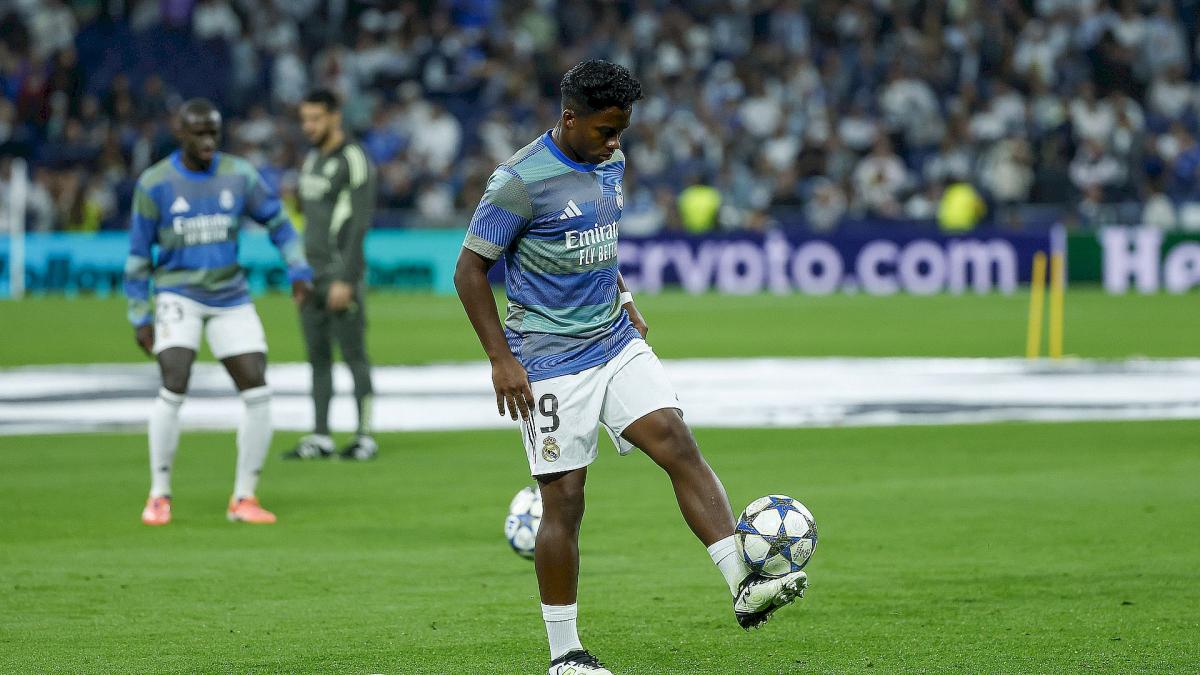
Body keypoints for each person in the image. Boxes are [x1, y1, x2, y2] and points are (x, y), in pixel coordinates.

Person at [454, 60, 808, 675]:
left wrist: (622, 296)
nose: (615, 142)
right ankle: (565, 655)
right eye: (605, 130)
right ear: (570, 119)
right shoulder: (518, 181)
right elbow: (469, 271)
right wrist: (501, 358)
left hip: (613, 340)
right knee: (565, 500)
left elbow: (600, 240)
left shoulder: (611, 163)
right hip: (547, 359)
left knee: (677, 441)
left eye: (622, 130)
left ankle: (742, 585)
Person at [125, 98, 313, 526]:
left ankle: (243, 498)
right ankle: (159, 494)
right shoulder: (155, 183)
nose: (209, 140)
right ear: (181, 133)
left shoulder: (238, 174)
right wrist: (140, 313)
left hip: (230, 295)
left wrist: (298, 268)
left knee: (258, 393)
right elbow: (138, 254)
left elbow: (279, 223)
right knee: (174, 382)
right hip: (178, 293)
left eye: (214, 132)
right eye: (199, 133)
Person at [283, 89, 379, 461]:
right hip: (311, 276)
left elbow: (358, 224)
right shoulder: (311, 159)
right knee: (317, 356)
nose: (308, 126)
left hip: (341, 275)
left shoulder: (354, 158)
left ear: (335, 117)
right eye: (304, 119)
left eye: (315, 118)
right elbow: (308, 223)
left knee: (354, 354)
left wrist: (347, 278)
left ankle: (364, 434)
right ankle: (321, 435)